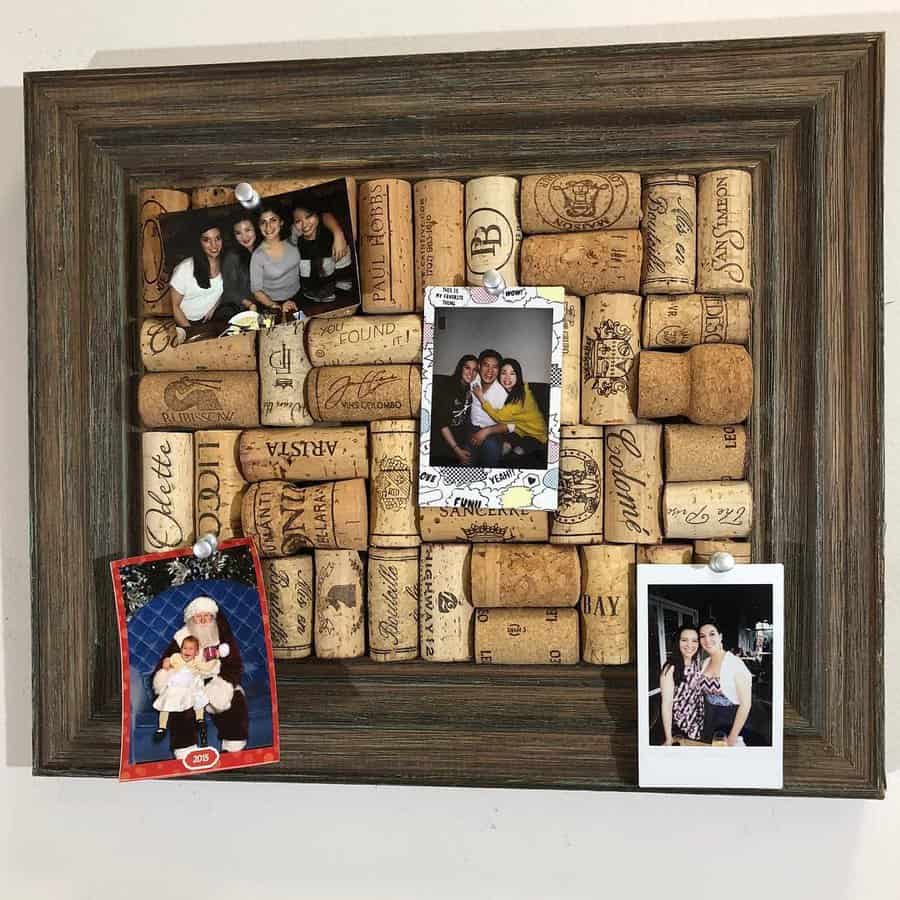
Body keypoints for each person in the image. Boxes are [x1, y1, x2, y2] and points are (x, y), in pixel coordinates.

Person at [152, 595, 248, 758]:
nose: (203, 620)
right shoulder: (181, 637)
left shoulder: (221, 636)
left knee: (235, 699)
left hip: (216, 678)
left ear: (213, 617)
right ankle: (185, 751)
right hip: (189, 682)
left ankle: (232, 746)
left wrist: (222, 683)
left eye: (207, 616)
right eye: (199, 617)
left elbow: (234, 664)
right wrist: (167, 670)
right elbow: (168, 661)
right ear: (191, 619)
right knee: (179, 705)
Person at [471, 358, 548, 459]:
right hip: (519, 430)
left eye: (512, 373)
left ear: (518, 376)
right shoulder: (518, 387)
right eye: (504, 373)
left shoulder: (519, 398)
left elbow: (499, 418)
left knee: (516, 453)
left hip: (536, 435)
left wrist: (481, 397)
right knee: (504, 447)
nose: (507, 378)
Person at [152, 635, 219, 747]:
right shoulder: (176, 657)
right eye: (184, 648)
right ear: (180, 649)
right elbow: (168, 660)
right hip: (177, 685)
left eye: (191, 649)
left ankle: (200, 719)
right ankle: (162, 727)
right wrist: (166, 662)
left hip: (190, 685)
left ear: (196, 653)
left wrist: (214, 658)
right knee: (165, 702)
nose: (187, 651)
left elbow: (207, 668)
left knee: (199, 697)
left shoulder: (196, 662)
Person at [697, 619, 753, 745]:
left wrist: (733, 736)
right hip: (710, 720)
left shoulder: (734, 664)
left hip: (731, 721)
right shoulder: (705, 663)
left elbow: (746, 705)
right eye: (702, 636)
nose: (707, 640)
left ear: (720, 636)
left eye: (712, 634)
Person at [290, 202, 352, 306]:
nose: (304, 225)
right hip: (306, 302)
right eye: (298, 221)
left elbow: (345, 283)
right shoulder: (293, 245)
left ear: (318, 215)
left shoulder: (336, 243)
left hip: (336, 301)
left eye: (308, 216)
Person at [169, 223, 224, 340]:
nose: (214, 245)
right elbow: (174, 306)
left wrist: (214, 307)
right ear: (199, 242)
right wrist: (192, 332)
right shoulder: (184, 269)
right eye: (206, 240)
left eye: (217, 238)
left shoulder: (227, 262)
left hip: (208, 321)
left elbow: (224, 289)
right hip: (184, 324)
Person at [250, 205, 302, 318]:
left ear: (281, 222)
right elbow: (256, 291)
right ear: (258, 226)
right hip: (273, 304)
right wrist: (276, 306)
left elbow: (317, 218)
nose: (268, 227)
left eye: (273, 220)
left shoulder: (292, 238)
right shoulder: (258, 255)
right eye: (263, 222)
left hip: (299, 296)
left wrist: (338, 233)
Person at [466, 349, 515, 467]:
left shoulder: (502, 394)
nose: (489, 371)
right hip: (469, 428)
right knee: (465, 463)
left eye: (494, 367)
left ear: (499, 370)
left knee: (489, 462)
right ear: (479, 366)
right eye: (486, 365)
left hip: (491, 432)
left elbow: (511, 425)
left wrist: (486, 432)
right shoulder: (474, 379)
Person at [659, 625, 703, 744]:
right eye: (684, 640)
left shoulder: (696, 663)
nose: (690, 645)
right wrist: (668, 738)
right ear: (677, 642)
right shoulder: (670, 669)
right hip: (681, 729)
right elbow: (666, 706)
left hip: (699, 723)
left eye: (694, 640)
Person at [432, 354, 478, 465]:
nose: (471, 373)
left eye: (475, 370)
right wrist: (457, 451)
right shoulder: (447, 388)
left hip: (459, 438)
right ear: (460, 368)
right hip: (441, 441)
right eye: (467, 368)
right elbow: (442, 424)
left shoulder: (470, 388)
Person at [217, 215, 260, 320]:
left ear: (256, 229)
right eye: (238, 233)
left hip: (261, 304)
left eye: (248, 230)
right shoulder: (232, 257)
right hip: (238, 308)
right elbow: (229, 290)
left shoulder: (262, 250)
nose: (244, 237)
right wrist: (249, 304)